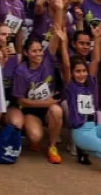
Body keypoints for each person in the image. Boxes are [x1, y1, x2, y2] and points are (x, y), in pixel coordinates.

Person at [61, 46, 101, 177]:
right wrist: (63, 43)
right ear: (72, 73)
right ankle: (91, 153)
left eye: (84, 71)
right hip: (81, 133)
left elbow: (95, 60)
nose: (82, 74)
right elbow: (66, 66)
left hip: (94, 129)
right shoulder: (71, 87)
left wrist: (96, 39)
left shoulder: (89, 85)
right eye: (78, 71)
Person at [7, 34, 65, 165]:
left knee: (57, 111)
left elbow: (55, 37)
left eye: (40, 50)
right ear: (26, 53)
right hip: (30, 110)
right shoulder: (21, 71)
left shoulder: (47, 59)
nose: (38, 54)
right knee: (35, 137)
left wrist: (60, 14)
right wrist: (45, 103)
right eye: (34, 51)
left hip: (48, 108)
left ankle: (52, 146)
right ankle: (32, 134)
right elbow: (21, 101)